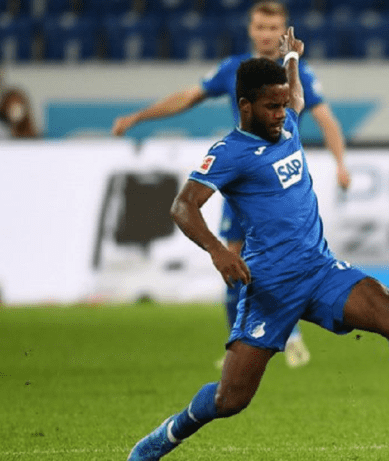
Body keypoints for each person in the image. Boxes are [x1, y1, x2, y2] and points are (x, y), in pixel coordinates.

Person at [126, 29, 389, 461]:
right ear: (245, 106)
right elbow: (183, 206)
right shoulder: (230, 152)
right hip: (271, 287)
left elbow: (296, 98)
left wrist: (291, 60)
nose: (282, 114)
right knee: (230, 399)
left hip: (320, 271)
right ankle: (167, 434)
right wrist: (218, 251)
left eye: (282, 106)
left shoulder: (288, 121)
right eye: (271, 107)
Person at [112, 1, 351, 367]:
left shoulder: (297, 72)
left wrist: (341, 163)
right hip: (242, 179)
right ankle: (238, 347)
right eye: (260, 27)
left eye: (273, 28)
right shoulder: (233, 69)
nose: (266, 34)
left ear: (283, 31)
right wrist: (139, 116)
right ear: (250, 29)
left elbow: (325, 118)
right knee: (234, 257)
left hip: (280, 184)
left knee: (285, 257)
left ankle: (288, 332)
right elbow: (188, 97)